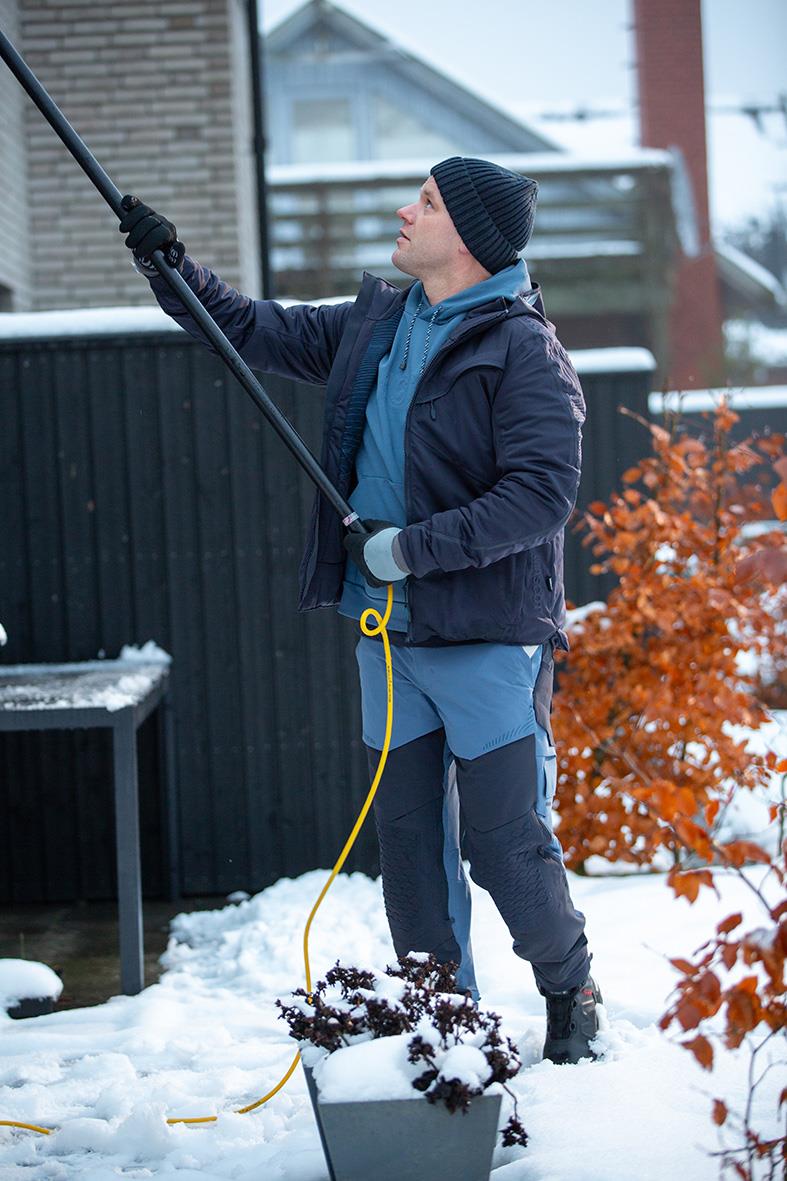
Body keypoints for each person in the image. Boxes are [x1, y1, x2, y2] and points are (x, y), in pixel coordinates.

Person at [120, 156, 603, 1065]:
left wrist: (406, 549)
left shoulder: (523, 349)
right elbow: (250, 331)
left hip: (488, 638)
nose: (403, 211)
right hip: (388, 640)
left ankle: (568, 982)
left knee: (503, 846)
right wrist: (169, 265)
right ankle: (444, 1023)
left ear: (465, 233)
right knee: (410, 847)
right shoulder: (378, 323)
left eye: (422, 202)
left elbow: (539, 497)